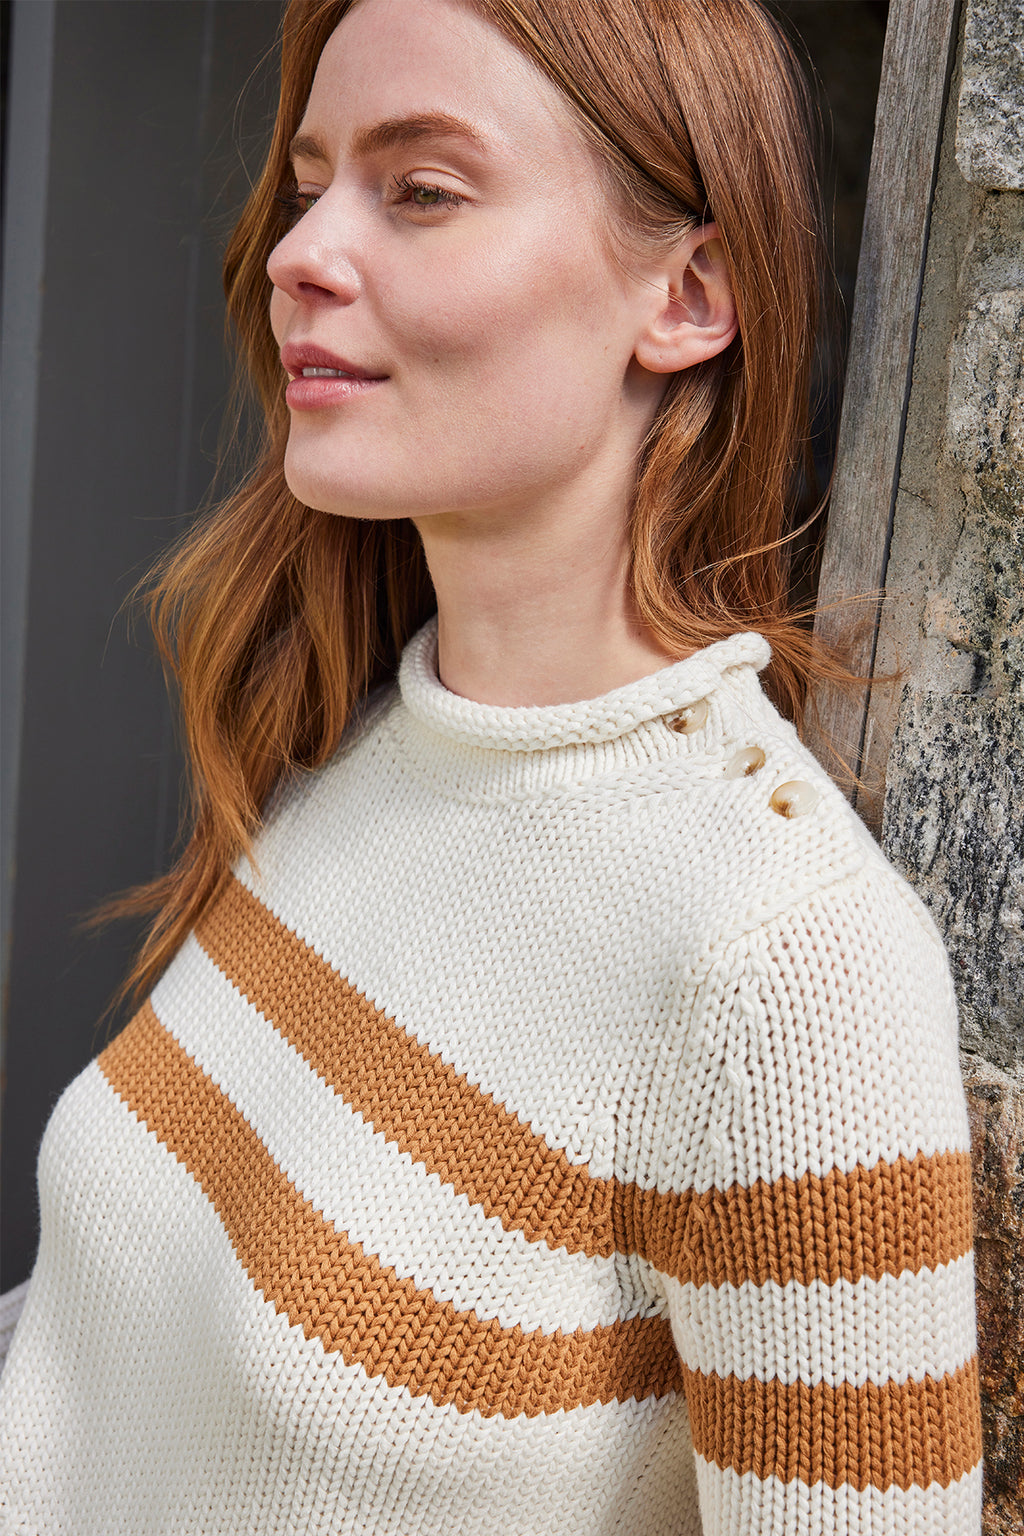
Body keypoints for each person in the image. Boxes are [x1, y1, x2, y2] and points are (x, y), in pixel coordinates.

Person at [0, 0, 982, 1531]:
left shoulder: (786, 972)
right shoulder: (361, 743)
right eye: (312, 179)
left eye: (422, 189)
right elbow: (95, 1379)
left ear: (688, 292)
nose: (300, 254)